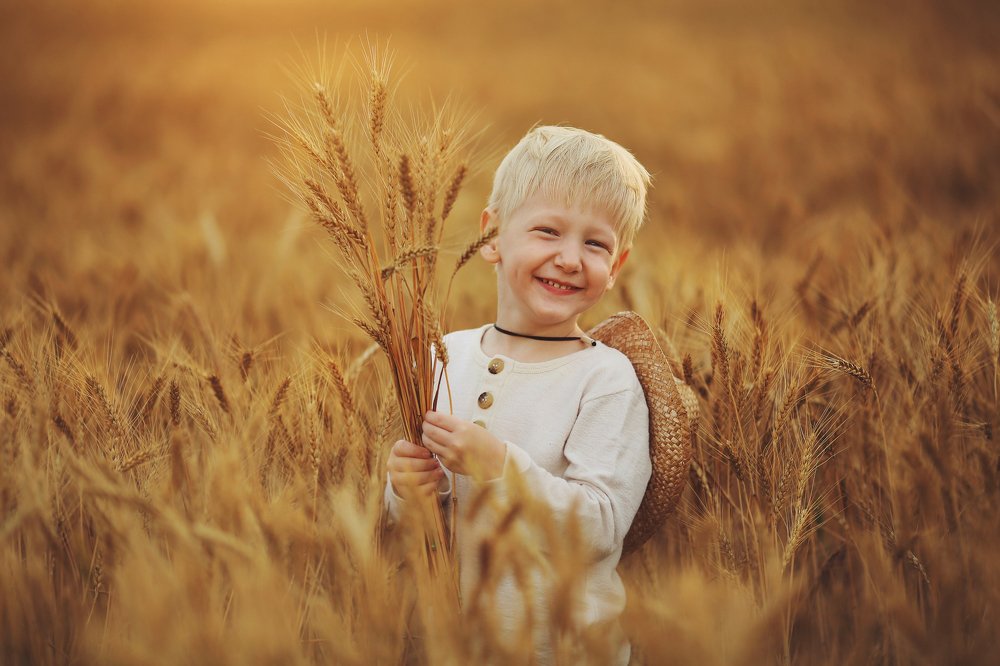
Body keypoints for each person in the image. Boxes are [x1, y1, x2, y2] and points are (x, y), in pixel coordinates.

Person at [384, 125, 652, 664]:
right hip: (453, 646)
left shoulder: (606, 380)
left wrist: (498, 466)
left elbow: (600, 528)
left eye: (595, 243)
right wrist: (405, 490)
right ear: (491, 237)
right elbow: (423, 523)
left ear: (616, 266)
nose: (571, 258)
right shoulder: (443, 357)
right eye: (548, 231)